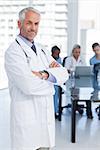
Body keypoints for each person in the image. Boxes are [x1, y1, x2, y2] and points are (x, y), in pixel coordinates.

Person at [5, 7, 68, 150]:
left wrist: (44, 74)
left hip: (44, 123)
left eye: (36, 24)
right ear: (19, 24)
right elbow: (28, 86)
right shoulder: (13, 52)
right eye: (29, 23)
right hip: (27, 124)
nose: (33, 28)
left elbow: (64, 74)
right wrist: (53, 81)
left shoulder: (42, 49)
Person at [51, 46, 61, 119]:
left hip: (57, 81)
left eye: (58, 53)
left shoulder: (59, 59)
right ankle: (52, 111)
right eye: (55, 53)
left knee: (56, 93)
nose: (56, 55)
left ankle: (55, 111)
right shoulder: (49, 58)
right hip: (50, 80)